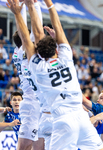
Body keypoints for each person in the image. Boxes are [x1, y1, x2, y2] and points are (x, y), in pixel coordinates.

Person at [7, 0, 103, 149]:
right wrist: (47, 3)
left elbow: (27, 39)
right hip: (80, 117)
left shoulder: (38, 67)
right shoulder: (66, 58)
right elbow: (53, 29)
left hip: (58, 118)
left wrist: (19, 13)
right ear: (56, 49)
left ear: (38, 52)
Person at [9, 1, 42, 150]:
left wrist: (20, 10)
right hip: (33, 104)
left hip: (32, 103)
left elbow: (23, 31)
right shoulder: (27, 50)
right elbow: (36, 31)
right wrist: (35, 6)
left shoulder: (17, 52)